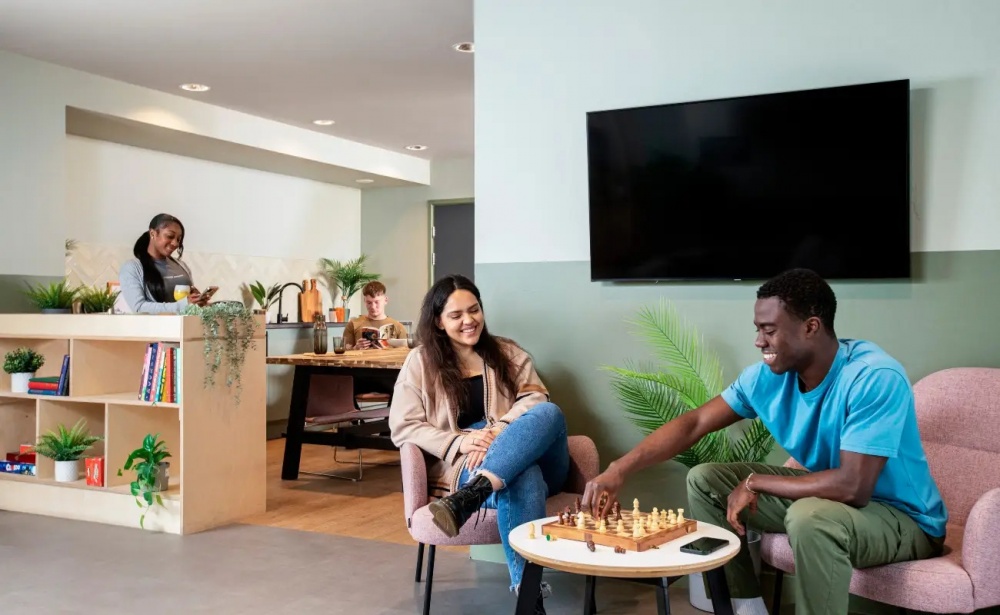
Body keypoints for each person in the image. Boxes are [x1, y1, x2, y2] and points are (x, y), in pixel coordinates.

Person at [581, 268, 947, 615]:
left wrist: (755, 482)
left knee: (810, 517)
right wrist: (619, 468)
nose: (759, 341)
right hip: (828, 502)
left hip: (902, 520)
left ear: (811, 327)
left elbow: (853, 487)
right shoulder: (767, 378)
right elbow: (694, 423)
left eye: (769, 330)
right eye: (758, 329)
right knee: (706, 480)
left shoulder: (873, 377)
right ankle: (745, 608)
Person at [389, 274, 569, 615]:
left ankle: (474, 494)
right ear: (439, 322)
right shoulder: (420, 362)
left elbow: (535, 397)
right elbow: (404, 426)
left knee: (550, 411)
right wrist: (461, 441)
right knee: (524, 476)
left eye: (474, 310)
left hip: (529, 456)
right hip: (465, 463)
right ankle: (530, 601)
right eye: (456, 315)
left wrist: (500, 431)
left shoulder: (507, 352)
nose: (468, 320)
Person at [119, 213, 210, 313]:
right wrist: (184, 305)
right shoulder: (132, 268)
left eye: (178, 239)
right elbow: (139, 308)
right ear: (153, 234)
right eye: (170, 236)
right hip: (157, 324)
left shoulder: (182, 265)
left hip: (184, 323)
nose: (175, 243)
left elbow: (187, 304)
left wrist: (197, 300)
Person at [343, 281, 409, 349]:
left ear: (385, 300)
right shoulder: (353, 324)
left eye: (377, 302)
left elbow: (405, 354)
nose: (373, 307)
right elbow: (343, 353)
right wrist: (356, 348)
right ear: (364, 301)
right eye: (369, 303)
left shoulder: (398, 327)